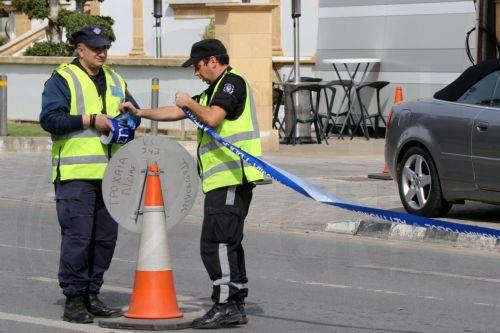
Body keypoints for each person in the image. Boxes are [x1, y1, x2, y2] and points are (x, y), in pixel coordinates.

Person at [119, 38, 263, 329]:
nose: (196, 73)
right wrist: (141, 113)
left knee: (216, 243)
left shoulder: (231, 84)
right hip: (223, 179)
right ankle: (235, 303)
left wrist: (189, 102)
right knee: (229, 242)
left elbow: (209, 117)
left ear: (212, 61)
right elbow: (180, 112)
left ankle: (225, 304)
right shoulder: (216, 88)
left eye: (197, 67)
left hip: (231, 177)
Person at [40, 25, 139, 324]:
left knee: (104, 239)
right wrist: (90, 120)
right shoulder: (63, 78)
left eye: (105, 46)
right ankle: (74, 298)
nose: (102, 52)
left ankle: (93, 293)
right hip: (76, 174)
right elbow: (50, 119)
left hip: (112, 175)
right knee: (79, 238)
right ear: (79, 49)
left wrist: (131, 114)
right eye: (95, 47)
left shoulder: (115, 78)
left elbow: (133, 113)